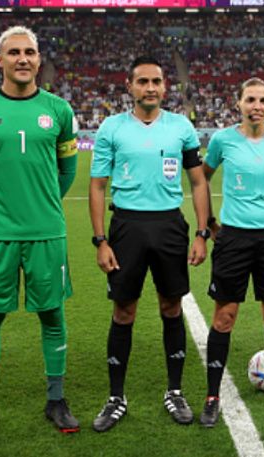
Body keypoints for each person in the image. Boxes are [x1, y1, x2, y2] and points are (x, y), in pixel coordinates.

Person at [0, 26, 80, 445]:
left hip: (47, 231)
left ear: (39, 59)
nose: (23, 59)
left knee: (52, 315)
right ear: (0, 60)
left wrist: (43, 205)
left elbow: (67, 171)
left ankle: (56, 400)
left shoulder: (60, 110)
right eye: (14, 53)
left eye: (29, 52)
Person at [89, 55, 209, 432]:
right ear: (130, 86)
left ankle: (174, 391)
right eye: (143, 81)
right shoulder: (111, 128)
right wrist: (100, 240)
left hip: (170, 225)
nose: (151, 87)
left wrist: (202, 233)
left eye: (156, 81)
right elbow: (97, 187)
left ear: (165, 86)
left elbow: (198, 182)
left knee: (171, 307)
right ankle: (116, 397)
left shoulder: (181, 127)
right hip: (126, 226)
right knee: (124, 311)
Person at [199, 77, 264, 427]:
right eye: (250, 100)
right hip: (233, 240)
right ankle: (212, 397)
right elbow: (202, 179)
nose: (256, 106)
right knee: (224, 317)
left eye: (263, 100)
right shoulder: (222, 140)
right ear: (239, 104)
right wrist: (211, 224)